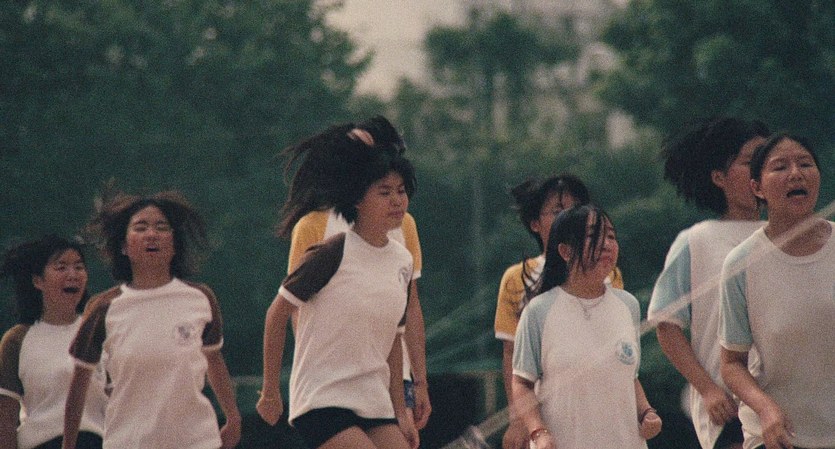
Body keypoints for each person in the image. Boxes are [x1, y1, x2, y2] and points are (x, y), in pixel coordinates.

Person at [257, 120, 420, 449]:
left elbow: (394, 340)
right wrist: (271, 390)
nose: (396, 201)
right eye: (384, 193)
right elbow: (278, 313)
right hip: (322, 398)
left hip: (373, 399)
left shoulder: (402, 261)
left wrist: (401, 412)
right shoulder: (331, 252)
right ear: (357, 199)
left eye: (401, 191)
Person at [62, 191, 241, 449]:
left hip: (197, 440)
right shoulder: (104, 307)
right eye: (140, 227)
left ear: (175, 243)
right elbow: (79, 384)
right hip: (128, 441)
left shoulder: (200, 298)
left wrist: (233, 417)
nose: (152, 234)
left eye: (161, 227)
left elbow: (214, 359)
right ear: (123, 246)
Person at [648, 117, 769, 449]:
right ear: (719, 177)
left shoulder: (792, 236)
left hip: (789, 399)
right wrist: (707, 389)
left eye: (767, 160)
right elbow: (666, 325)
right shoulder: (697, 241)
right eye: (750, 161)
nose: (761, 171)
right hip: (730, 409)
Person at [511, 204, 661, 449]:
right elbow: (521, 383)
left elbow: (630, 378)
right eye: (593, 236)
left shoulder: (628, 305)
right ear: (565, 251)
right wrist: (539, 433)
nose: (606, 244)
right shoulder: (539, 311)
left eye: (611, 236)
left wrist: (647, 413)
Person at [719, 133, 834, 449]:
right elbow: (731, 363)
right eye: (780, 167)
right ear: (757, 187)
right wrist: (766, 408)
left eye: (805, 164)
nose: (796, 174)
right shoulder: (740, 264)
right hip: (777, 437)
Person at [494, 175, 624, 449]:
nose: (569, 218)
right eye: (557, 211)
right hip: (549, 412)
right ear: (535, 223)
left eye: (577, 209)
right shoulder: (518, 278)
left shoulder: (609, 275)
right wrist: (519, 420)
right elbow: (512, 356)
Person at [0, 235, 106, 449]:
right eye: (61, 267)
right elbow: (6, 418)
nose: (73, 274)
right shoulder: (17, 340)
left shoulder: (100, 330)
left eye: (79, 267)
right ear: (38, 281)